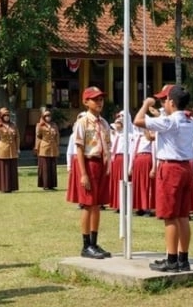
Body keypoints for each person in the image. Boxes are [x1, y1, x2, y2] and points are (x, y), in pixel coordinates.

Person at [132, 85, 193, 272]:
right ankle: (183, 258)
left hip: (170, 168)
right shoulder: (189, 121)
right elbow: (154, 136)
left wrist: (145, 105)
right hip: (186, 166)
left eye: (165, 100)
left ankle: (171, 258)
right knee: (183, 215)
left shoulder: (169, 122)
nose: (163, 103)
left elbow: (138, 121)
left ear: (171, 102)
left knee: (169, 216)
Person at [69, 86, 112, 259]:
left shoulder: (103, 123)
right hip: (88, 162)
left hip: (100, 164)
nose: (99, 102)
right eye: (95, 99)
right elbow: (79, 148)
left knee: (97, 205)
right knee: (87, 204)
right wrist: (83, 173)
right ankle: (86, 245)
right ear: (86, 102)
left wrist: (108, 163)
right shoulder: (82, 122)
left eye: (101, 99)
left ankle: (94, 242)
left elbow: (107, 145)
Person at [0, 108, 19, 193]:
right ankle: (3, 187)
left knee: (12, 168)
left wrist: (18, 148)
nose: (7, 117)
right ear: (1, 116)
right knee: (3, 168)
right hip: (2, 149)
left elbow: (17, 137)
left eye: (8, 115)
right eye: (5, 115)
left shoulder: (13, 125)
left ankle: (12, 187)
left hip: (12, 149)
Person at [34, 109, 60, 190]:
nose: (48, 118)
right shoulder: (40, 125)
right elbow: (38, 136)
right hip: (44, 147)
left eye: (49, 116)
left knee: (52, 167)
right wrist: (37, 147)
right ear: (43, 117)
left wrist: (57, 144)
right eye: (46, 116)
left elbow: (57, 135)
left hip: (53, 147)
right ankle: (45, 185)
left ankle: (52, 185)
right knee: (45, 167)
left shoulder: (54, 125)